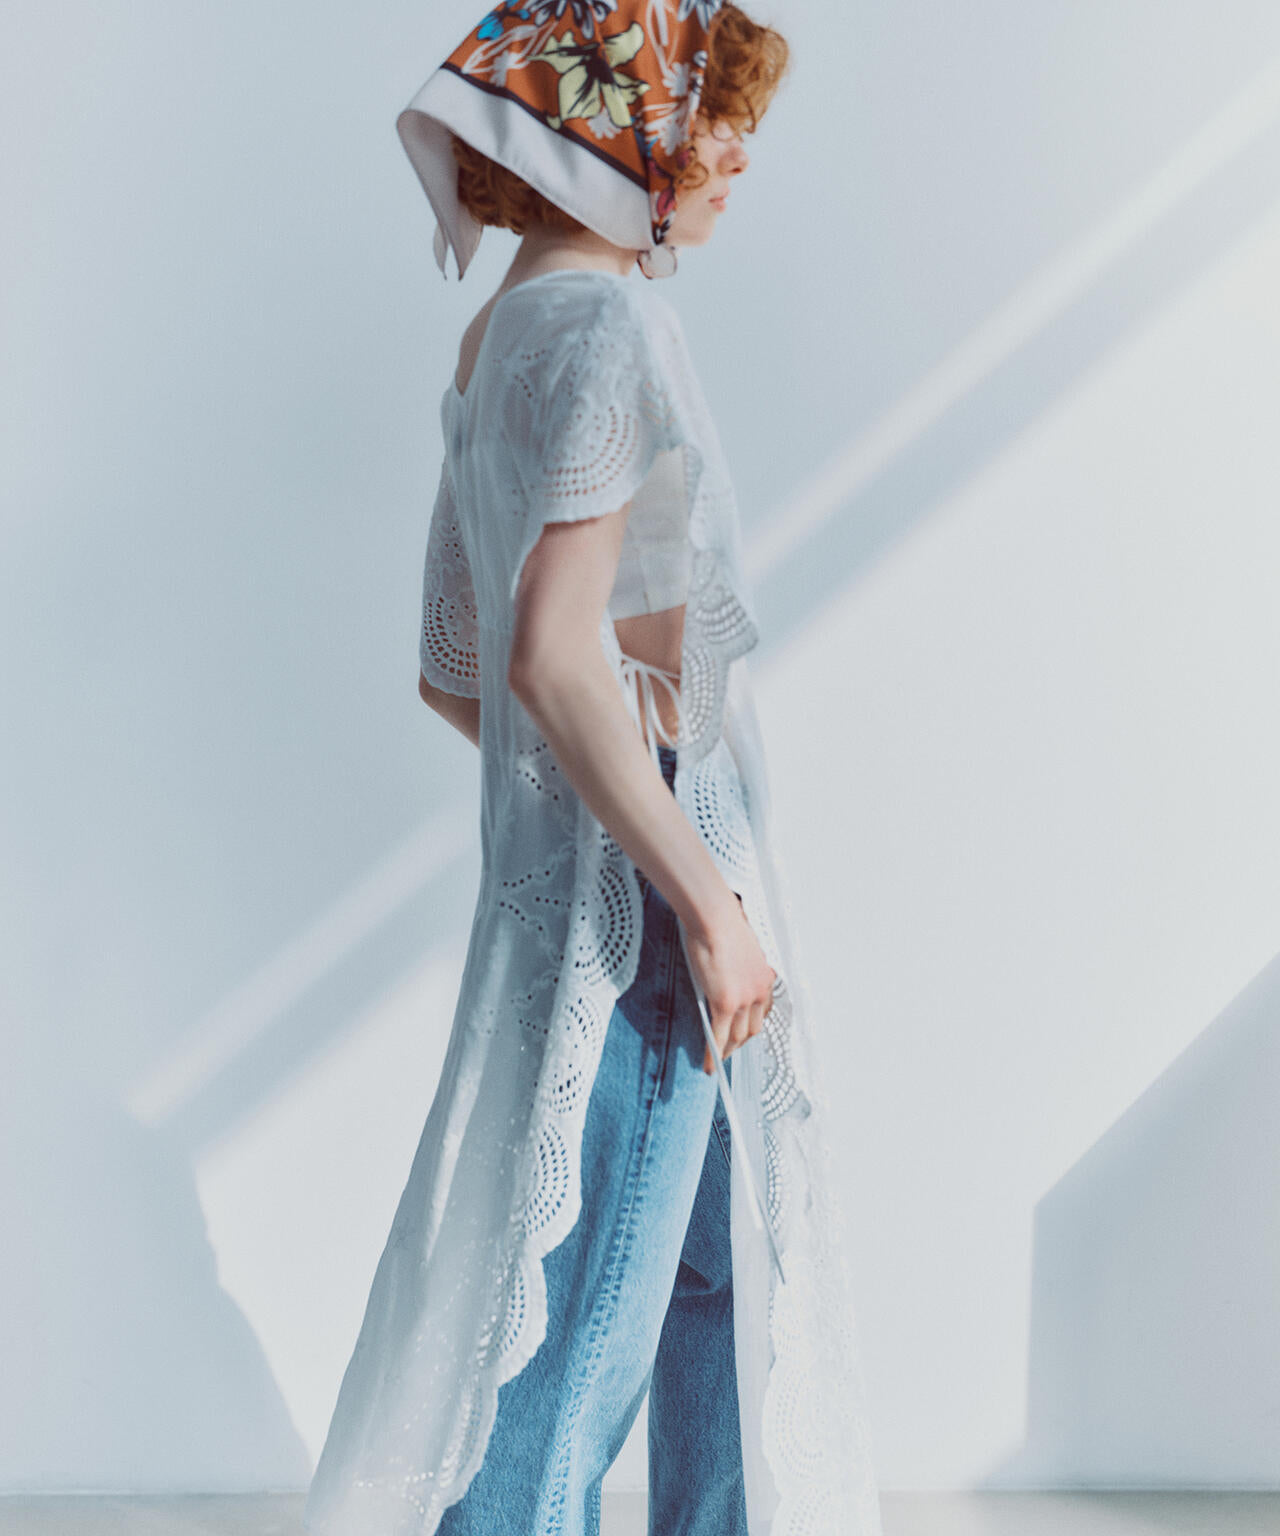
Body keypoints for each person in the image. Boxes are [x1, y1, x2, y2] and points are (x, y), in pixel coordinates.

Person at [303, 5, 884, 1535]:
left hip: (610, 879)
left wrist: (584, 822)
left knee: (713, 1291)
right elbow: (550, 663)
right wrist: (697, 894)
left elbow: (454, 670)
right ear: (621, 129)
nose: (735, 156)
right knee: (589, 1331)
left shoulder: (501, 334)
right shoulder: (608, 328)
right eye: (711, 118)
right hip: (652, 906)